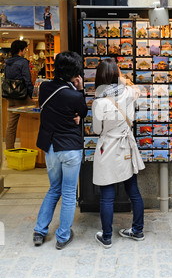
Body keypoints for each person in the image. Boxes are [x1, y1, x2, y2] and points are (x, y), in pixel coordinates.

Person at [33, 51, 87, 250]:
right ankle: (62, 236)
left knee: (54, 189)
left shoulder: (45, 87)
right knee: (69, 192)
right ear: (75, 73)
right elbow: (82, 111)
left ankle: (39, 231)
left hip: (51, 148)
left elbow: (49, 110)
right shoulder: (73, 94)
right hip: (70, 148)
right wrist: (80, 90)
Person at [92, 57, 145, 249]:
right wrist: (123, 79)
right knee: (134, 192)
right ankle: (137, 230)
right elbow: (136, 89)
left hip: (108, 148)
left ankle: (107, 236)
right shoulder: (128, 93)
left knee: (107, 196)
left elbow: (97, 130)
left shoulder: (99, 102)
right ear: (117, 75)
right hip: (126, 148)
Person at [4, 39, 34, 149]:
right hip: (22, 97)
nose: (25, 51)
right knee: (35, 117)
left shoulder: (7, 63)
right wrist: (32, 95)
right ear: (20, 50)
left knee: (11, 125)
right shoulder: (23, 62)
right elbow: (27, 80)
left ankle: (9, 150)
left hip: (10, 96)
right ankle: (32, 146)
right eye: (25, 49)